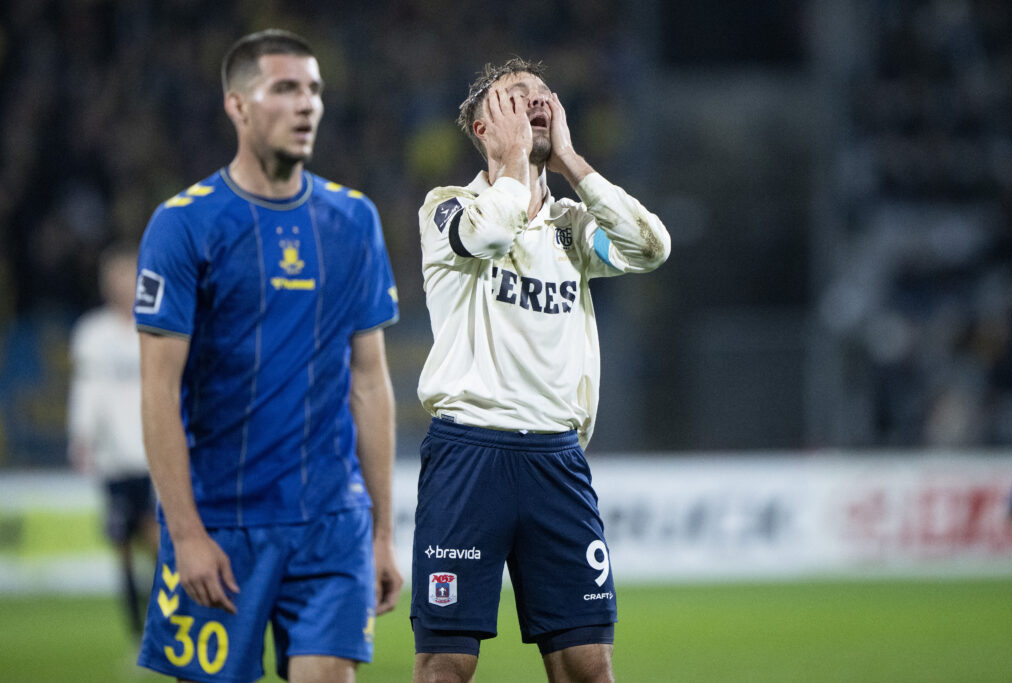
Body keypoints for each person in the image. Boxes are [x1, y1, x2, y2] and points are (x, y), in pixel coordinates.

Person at [134, 29, 402, 683]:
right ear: (238, 106)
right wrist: (187, 533)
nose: (306, 104)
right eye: (285, 88)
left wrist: (383, 531)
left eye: (313, 90)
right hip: (223, 524)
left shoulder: (354, 220)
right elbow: (157, 393)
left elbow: (370, 382)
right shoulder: (184, 225)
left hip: (331, 520)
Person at [411, 58, 671, 683]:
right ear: (482, 128)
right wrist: (512, 168)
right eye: (513, 99)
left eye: (543, 95)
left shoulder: (573, 230)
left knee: (587, 664)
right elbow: (492, 236)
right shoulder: (450, 209)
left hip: (556, 459)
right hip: (469, 452)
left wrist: (573, 165)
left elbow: (649, 247)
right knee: (446, 662)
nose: (535, 102)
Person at [68, 242, 159, 636]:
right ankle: (136, 629)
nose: (124, 285)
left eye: (130, 276)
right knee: (122, 544)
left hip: (155, 451)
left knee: (158, 538)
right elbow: (85, 389)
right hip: (114, 457)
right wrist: (81, 436)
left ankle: (167, 618)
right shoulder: (92, 332)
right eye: (117, 278)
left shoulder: (156, 325)